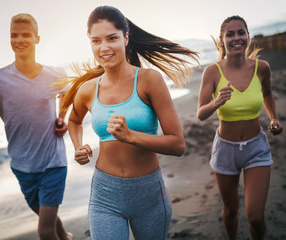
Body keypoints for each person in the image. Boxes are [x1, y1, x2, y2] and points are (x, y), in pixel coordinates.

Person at [54, 5, 198, 240]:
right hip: (105, 195)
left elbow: (177, 144)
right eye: (96, 41)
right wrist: (78, 146)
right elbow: (74, 120)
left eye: (112, 38)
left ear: (126, 38)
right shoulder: (88, 89)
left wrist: (130, 136)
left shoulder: (149, 80)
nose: (104, 48)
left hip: (149, 195)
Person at [0, 13, 73, 240]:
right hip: (21, 166)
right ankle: (67, 238)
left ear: (37, 38)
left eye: (26, 35)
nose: (19, 40)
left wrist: (62, 118)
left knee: (45, 231)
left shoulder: (56, 73)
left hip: (53, 161)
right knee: (47, 217)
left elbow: (68, 97)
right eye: (14, 35)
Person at [197, 15, 283, 240]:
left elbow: (267, 94)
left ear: (247, 36)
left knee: (255, 217)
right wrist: (216, 102)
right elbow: (200, 113)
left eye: (241, 32)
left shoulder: (262, 68)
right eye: (230, 34)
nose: (236, 38)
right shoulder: (212, 72)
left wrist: (273, 118)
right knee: (231, 210)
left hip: (256, 147)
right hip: (225, 150)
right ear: (222, 40)